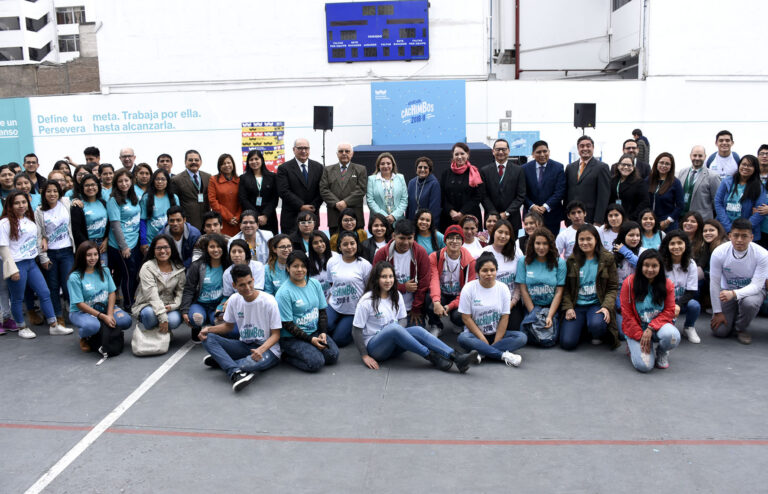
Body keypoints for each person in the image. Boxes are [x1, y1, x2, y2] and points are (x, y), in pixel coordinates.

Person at [352, 261, 477, 372]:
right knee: (393, 329)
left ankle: (456, 357)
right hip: (376, 348)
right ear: (376, 279)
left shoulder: (396, 295)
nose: (388, 280)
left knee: (416, 329)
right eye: (383, 277)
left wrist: (400, 333)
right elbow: (356, 331)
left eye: (390, 276)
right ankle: (431, 356)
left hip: (394, 342)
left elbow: (402, 319)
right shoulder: (367, 301)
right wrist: (364, 356)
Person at [0, 190, 72, 338]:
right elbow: (3, 247)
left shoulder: (28, 220)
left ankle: (54, 325)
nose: (21, 205)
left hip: (31, 263)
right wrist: (12, 269)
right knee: (17, 298)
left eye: (23, 202)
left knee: (44, 293)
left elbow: (37, 237)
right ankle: (22, 327)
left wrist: (43, 240)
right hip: (17, 264)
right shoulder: (4, 223)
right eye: (17, 203)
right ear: (10, 205)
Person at [199, 264, 281, 392]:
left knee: (246, 364)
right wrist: (208, 329)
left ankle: (224, 361)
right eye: (242, 285)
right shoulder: (233, 300)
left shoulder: (269, 301)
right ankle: (235, 371)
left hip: (268, 350)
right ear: (234, 286)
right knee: (207, 338)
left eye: (249, 282)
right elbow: (228, 326)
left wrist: (260, 350)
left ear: (253, 280)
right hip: (245, 345)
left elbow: (276, 334)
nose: (247, 288)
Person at [457, 252, 526, 367]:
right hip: (475, 335)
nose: (489, 274)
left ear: (496, 271)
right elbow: (466, 318)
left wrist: (497, 340)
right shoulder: (469, 288)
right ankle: (503, 355)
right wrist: (482, 340)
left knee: (522, 337)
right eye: (485, 270)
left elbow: (505, 318)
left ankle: (482, 353)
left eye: (492, 270)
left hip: (496, 334)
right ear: (478, 272)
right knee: (462, 338)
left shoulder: (503, 288)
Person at [276, 250, 339, 373]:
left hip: (314, 331)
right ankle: (286, 356)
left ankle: (311, 347)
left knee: (332, 356)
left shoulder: (315, 283)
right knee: (316, 363)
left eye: (303, 266)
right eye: (295, 266)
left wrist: (323, 332)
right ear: (288, 268)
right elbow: (287, 324)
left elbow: (322, 311)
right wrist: (310, 340)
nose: (300, 269)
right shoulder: (283, 293)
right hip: (291, 337)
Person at [709, 218, 768, 345]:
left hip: (752, 293)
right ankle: (733, 314)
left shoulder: (762, 254)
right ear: (730, 236)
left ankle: (740, 328)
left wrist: (735, 294)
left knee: (749, 303)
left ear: (751, 237)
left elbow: (757, 286)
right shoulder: (719, 252)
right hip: (727, 292)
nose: (739, 240)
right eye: (736, 235)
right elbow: (714, 283)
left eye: (744, 236)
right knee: (719, 331)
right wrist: (717, 312)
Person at [560, 224, 619, 350]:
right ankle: (582, 328)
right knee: (567, 343)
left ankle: (594, 330)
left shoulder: (607, 258)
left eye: (589, 239)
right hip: (577, 306)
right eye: (581, 239)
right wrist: (568, 307)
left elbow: (613, 287)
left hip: (596, 304)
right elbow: (565, 289)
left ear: (596, 239)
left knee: (596, 325)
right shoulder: (571, 261)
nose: (585, 242)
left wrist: (606, 307)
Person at [621, 250, 680, 372]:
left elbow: (669, 311)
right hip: (637, 328)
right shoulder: (629, 283)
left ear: (660, 267)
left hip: (656, 327)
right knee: (645, 366)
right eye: (646, 265)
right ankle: (632, 345)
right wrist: (640, 335)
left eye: (654, 266)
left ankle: (662, 351)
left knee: (673, 336)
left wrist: (651, 328)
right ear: (640, 266)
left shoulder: (667, 284)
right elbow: (627, 314)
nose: (650, 269)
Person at [67, 242, 131, 352]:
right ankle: (84, 336)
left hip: (105, 308)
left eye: (95, 254)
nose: (93, 258)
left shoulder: (104, 270)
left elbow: (112, 292)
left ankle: (104, 331)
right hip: (81, 312)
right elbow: (79, 304)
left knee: (126, 321)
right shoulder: (74, 277)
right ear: (81, 256)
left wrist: (110, 314)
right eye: (88, 255)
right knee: (92, 326)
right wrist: (102, 316)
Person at [373, 219, 431, 325]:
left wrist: (416, 309)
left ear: (414, 236)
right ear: (394, 236)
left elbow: (424, 283)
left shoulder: (421, 253)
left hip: (411, 308)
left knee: (415, 336)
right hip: (388, 306)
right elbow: (375, 281)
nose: (405, 242)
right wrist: (403, 287)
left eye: (409, 238)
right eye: (402, 238)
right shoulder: (381, 254)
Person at [516, 228, 566, 347]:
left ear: (550, 245)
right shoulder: (523, 261)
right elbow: (523, 289)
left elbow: (559, 292)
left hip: (551, 307)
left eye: (545, 243)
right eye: (538, 243)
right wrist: (534, 314)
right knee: (525, 335)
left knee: (550, 340)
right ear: (532, 244)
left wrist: (549, 316)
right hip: (532, 307)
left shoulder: (560, 262)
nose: (541, 247)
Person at [35, 180, 75, 326]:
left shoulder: (65, 202)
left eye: (55, 191)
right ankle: (58, 316)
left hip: (67, 251)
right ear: (43, 193)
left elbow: (75, 201)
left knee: (68, 285)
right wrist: (43, 257)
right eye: (49, 191)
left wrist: (77, 202)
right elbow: (39, 235)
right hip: (50, 253)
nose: (52, 194)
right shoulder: (39, 211)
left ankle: (75, 312)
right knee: (52, 287)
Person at [427, 225, 476, 335]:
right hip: (442, 293)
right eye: (451, 238)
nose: (454, 241)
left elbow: (466, 292)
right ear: (445, 240)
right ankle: (436, 325)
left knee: (458, 316)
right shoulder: (435, 256)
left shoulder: (470, 262)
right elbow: (434, 280)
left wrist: (449, 306)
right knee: (429, 300)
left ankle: (458, 323)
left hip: (459, 296)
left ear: (462, 241)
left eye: (458, 238)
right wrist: (436, 302)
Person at [326, 231, 372, 347]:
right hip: (335, 305)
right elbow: (332, 283)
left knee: (339, 340)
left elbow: (369, 288)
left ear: (357, 244)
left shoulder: (364, 265)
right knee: (325, 327)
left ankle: (351, 329)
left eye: (352, 243)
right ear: (339, 247)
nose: (349, 247)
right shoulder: (332, 262)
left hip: (353, 310)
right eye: (345, 244)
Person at [181, 234, 230, 341]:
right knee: (197, 319)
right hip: (200, 304)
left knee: (220, 321)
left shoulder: (228, 266)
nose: (216, 250)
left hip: (219, 304)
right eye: (212, 247)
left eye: (219, 246)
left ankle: (212, 327)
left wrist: (224, 306)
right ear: (206, 249)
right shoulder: (197, 266)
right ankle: (197, 328)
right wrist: (185, 311)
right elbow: (189, 289)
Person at [132, 234, 185, 334]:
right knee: (149, 314)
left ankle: (161, 335)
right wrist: (163, 317)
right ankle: (154, 334)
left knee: (173, 321)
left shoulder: (179, 267)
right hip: (148, 304)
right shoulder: (147, 267)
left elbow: (180, 292)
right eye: (159, 248)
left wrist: (174, 306)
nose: (162, 251)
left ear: (172, 248)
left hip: (170, 305)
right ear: (153, 250)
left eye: (166, 247)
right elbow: (151, 295)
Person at [107, 169, 142, 309]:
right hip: (121, 245)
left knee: (133, 273)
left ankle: (132, 299)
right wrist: (124, 247)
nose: (124, 184)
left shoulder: (134, 197)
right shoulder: (113, 200)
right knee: (129, 274)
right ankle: (129, 304)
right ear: (116, 183)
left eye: (126, 180)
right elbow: (115, 225)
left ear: (131, 181)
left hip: (134, 242)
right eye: (120, 181)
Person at [481, 218, 524, 331]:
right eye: (500, 232)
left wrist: (512, 302)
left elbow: (519, 283)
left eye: (507, 233)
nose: (503, 236)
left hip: (511, 301)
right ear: (493, 232)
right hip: (489, 301)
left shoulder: (517, 253)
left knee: (514, 329)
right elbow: (478, 281)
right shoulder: (484, 252)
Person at [659, 231, 701, 344]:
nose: (676, 247)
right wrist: (671, 306)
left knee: (694, 305)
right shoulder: (661, 263)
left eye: (680, 243)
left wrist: (678, 305)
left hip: (682, 302)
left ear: (685, 245)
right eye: (672, 244)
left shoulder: (691, 263)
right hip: (664, 302)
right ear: (667, 246)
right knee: (668, 335)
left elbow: (691, 291)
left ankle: (688, 327)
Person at [277, 138, 324, 233]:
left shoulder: (319, 167)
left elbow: (322, 190)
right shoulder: (284, 168)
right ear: (294, 149)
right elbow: (283, 191)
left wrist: (313, 206)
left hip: (312, 216)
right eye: (300, 148)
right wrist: (301, 206)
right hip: (291, 218)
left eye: (306, 148)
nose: (303, 151)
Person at [320, 143, 367, 235]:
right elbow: (323, 189)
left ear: (352, 154)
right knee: (335, 245)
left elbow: (361, 189)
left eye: (347, 151)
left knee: (356, 246)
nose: (344, 153)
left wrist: (345, 202)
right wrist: (336, 203)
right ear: (337, 154)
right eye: (341, 151)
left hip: (355, 215)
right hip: (335, 214)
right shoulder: (327, 170)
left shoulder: (361, 169)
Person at [714, 155, 766, 237]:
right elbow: (718, 202)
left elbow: (760, 211)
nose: (746, 167)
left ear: (755, 168)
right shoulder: (726, 181)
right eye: (743, 164)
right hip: (723, 229)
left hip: (747, 233)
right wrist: (728, 228)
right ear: (739, 165)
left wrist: (743, 230)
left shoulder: (759, 187)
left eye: (750, 165)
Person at [481, 138, 525, 234]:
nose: (501, 152)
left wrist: (507, 213)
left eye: (504, 149)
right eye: (498, 149)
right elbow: (483, 196)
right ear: (493, 151)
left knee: (511, 248)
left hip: (512, 219)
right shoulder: (484, 171)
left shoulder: (518, 170)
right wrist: (494, 214)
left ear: (509, 151)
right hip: (491, 220)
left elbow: (521, 195)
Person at [522, 140, 566, 236]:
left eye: (545, 151)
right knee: (530, 245)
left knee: (551, 245)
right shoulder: (524, 169)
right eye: (538, 152)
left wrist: (546, 206)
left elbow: (560, 191)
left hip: (552, 216)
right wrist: (532, 206)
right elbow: (521, 192)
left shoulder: (558, 167)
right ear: (533, 154)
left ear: (549, 152)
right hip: (531, 217)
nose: (542, 154)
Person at [565, 135, 610, 225]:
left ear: (593, 148)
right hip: (572, 217)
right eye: (582, 146)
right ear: (578, 149)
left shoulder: (602, 167)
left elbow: (603, 196)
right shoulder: (570, 167)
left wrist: (598, 220)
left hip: (591, 217)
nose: (585, 148)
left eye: (588, 146)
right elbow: (567, 193)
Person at [440, 142, 483, 230]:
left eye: (462, 153)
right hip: (449, 217)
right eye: (456, 154)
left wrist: (462, 213)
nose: (459, 157)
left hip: (470, 216)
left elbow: (478, 196)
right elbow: (442, 196)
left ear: (467, 154)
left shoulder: (475, 172)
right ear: (453, 156)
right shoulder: (446, 173)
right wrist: (451, 211)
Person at [238, 149, 279, 234]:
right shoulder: (243, 178)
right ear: (248, 162)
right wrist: (256, 216)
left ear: (262, 160)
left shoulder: (272, 176)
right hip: (250, 219)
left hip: (269, 217)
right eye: (251, 159)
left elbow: (274, 198)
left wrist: (265, 215)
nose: (254, 161)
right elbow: (243, 199)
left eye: (256, 159)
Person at [70, 174, 108, 261]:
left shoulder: (103, 203)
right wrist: (88, 246)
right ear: (82, 188)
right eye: (87, 185)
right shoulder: (78, 205)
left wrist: (106, 240)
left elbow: (109, 225)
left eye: (93, 185)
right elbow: (76, 231)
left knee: (103, 271)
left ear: (98, 186)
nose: (90, 187)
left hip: (102, 244)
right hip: (86, 244)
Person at [140, 169, 179, 251]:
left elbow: (179, 220)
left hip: (169, 239)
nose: (160, 182)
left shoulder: (174, 198)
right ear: (153, 181)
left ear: (167, 181)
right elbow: (142, 220)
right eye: (157, 179)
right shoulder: (146, 197)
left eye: (163, 179)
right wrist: (143, 241)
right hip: (151, 240)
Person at [171, 149, 211, 231]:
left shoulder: (208, 177)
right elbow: (175, 203)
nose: (194, 162)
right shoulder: (176, 179)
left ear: (201, 162)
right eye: (190, 160)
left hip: (206, 221)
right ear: (185, 162)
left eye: (196, 160)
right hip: (189, 222)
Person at [678, 145, 720, 221]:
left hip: (702, 220)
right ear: (690, 156)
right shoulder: (682, 172)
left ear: (705, 157)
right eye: (694, 155)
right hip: (682, 219)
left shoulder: (713, 176)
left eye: (700, 156)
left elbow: (717, 201)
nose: (697, 158)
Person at [366, 152, 408, 225]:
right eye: (382, 164)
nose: (385, 166)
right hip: (379, 220)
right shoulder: (371, 179)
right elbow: (370, 200)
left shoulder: (400, 177)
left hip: (397, 221)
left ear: (393, 165)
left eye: (388, 163)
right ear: (378, 166)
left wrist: (394, 216)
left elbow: (404, 199)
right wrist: (384, 216)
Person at [648, 152, 684, 232]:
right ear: (656, 164)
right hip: (649, 222)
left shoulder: (675, 182)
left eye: (667, 164)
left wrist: (667, 221)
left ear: (671, 167)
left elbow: (680, 206)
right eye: (661, 163)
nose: (664, 166)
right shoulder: (648, 180)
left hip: (667, 224)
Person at [208, 153, 241, 237]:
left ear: (233, 164)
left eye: (229, 163)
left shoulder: (239, 180)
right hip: (222, 220)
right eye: (223, 163)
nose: (227, 165)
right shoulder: (213, 180)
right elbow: (212, 201)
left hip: (238, 221)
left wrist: (237, 217)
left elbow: (243, 200)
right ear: (219, 166)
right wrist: (229, 217)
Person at [609, 153, 649, 221]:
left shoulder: (639, 183)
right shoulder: (612, 181)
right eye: (623, 164)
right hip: (614, 219)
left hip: (631, 220)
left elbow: (644, 202)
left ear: (633, 167)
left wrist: (631, 218)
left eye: (629, 165)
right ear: (618, 166)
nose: (626, 167)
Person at [698, 219, 727, 310]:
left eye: (711, 230)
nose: (707, 233)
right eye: (705, 231)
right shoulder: (707, 244)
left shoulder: (722, 246)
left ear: (719, 231)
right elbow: (701, 264)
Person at [406, 156, 441, 222]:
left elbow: (434, 208)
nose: (422, 170)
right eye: (420, 167)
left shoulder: (434, 184)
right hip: (412, 222)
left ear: (429, 169)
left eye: (425, 167)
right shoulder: (411, 183)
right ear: (416, 169)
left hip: (426, 223)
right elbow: (408, 206)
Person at [307, 231, 336, 298]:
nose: (319, 244)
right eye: (315, 243)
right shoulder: (306, 258)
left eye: (321, 241)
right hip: (314, 299)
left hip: (333, 299)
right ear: (311, 245)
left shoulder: (335, 257)